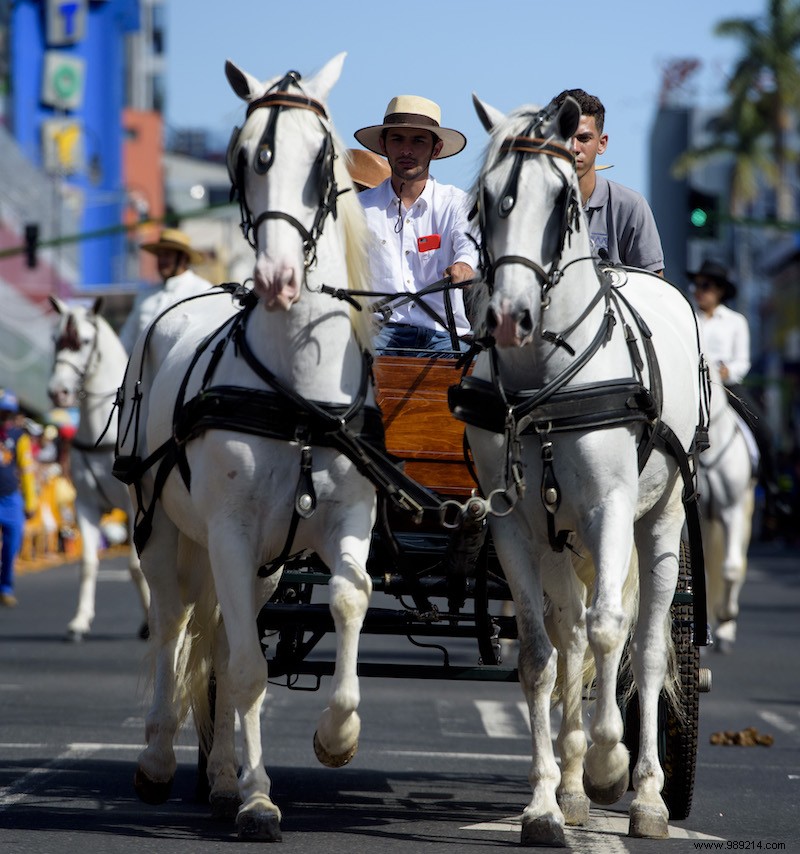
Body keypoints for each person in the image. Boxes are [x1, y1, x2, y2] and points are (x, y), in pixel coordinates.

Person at [354, 95, 478, 354]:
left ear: (435, 149)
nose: (406, 150)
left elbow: (468, 243)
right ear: (383, 145)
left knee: (478, 381)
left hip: (442, 332)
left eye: (418, 140)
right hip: (378, 331)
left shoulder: (456, 203)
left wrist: (465, 265)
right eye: (397, 139)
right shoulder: (359, 208)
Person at [688, 259, 787, 519]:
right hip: (691, 385)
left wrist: (725, 372)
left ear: (719, 290)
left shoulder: (735, 321)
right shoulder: (688, 317)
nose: (698, 290)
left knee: (763, 431)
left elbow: (742, 362)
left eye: (705, 285)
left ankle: (772, 492)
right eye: (696, 284)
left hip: (726, 387)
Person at [552, 88, 664, 275]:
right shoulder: (533, 205)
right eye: (565, 137)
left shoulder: (630, 206)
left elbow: (656, 291)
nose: (574, 147)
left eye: (584, 138)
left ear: (602, 143)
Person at [119, 228, 213, 353]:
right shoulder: (145, 296)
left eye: (167, 255)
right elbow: (126, 342)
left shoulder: (203, 291)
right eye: (159, 255)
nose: (162, 261)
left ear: (183, 258)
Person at [0, 389, 38, 607]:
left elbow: (27, 470)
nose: (5, 417)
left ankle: (5, 587)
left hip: (11, 499)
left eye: (9, 413)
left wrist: (30, 501)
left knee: (12, 545)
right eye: (2, 412)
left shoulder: (18, 436)